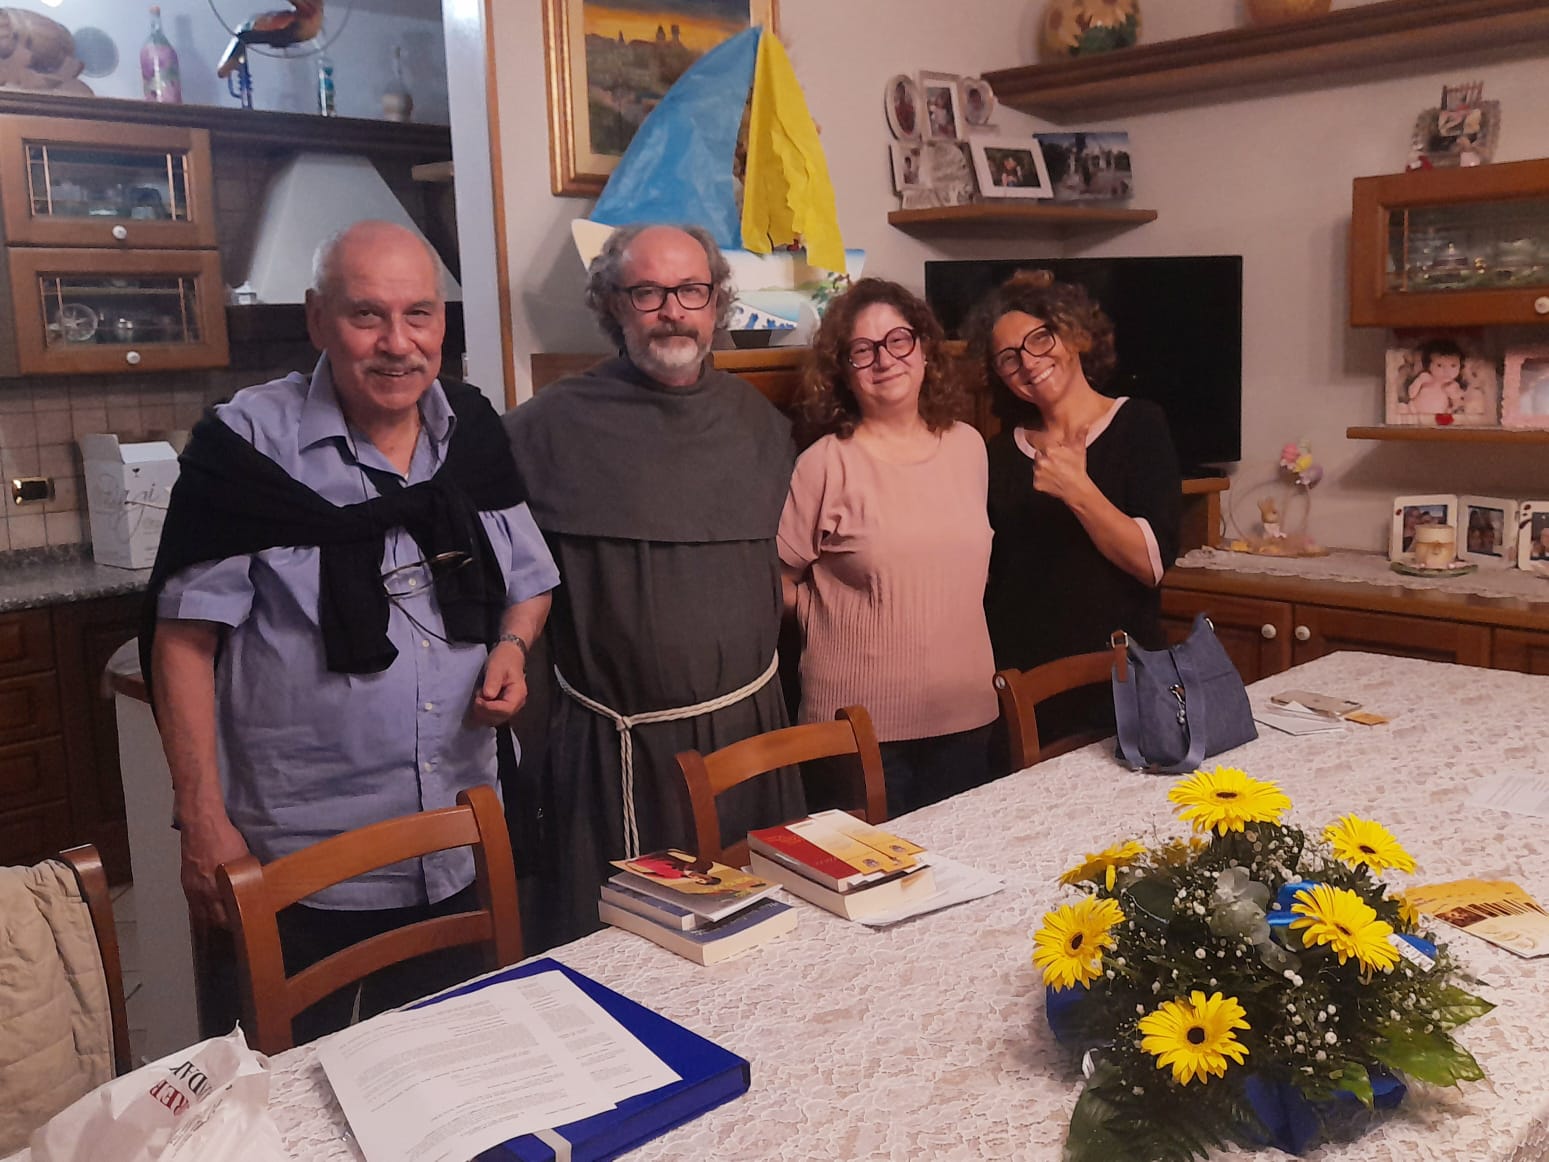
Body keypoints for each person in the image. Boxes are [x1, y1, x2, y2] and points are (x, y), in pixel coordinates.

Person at [146, 220, 559, 1043]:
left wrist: (512, 648)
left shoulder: (470, 431)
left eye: (419, 314)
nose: (397, 344)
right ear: (317, 320)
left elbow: (530, 582)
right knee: (291, 1081)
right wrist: (201, 819)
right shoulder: (246, 450)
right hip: (299, 855)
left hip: (460, 832)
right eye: (367, 315)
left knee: (461, 1065)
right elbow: (184, 642)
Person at [505, 223, 803, 946]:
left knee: (761, 951)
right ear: (613, 304)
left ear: (716, 302)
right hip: (615, 756)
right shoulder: (546, 429)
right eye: (647, 292)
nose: (672, 311)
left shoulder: (761, 425)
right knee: (619, 962)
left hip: (749, 739)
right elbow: (510, 577)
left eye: (691, 291)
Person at [779, 279, 996, 815]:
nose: (884, 360)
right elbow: (773, 579)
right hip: (858, 735)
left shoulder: (969, 447)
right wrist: (819, 611)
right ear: (844, 371)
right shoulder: (824, 464)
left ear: (924, 350)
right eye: (863, 349)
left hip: (969, 718)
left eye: (898, 340)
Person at [966, 269, 1181, 747]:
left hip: (1122, 686)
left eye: (1040, 339)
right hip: (1024, 692)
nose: (1029, 363)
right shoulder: (996, 454)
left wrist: (1077, 489)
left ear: (1074, 335)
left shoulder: (1139, 425)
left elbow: (1150, 564)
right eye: (1008, 358)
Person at [1405, 338, 1464, 415]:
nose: (1447, 371)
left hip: (1437, 417)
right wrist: (1419, 381)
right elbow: (1411, 395)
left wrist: (1453, 396)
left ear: (1460, 367)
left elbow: (1458, 405)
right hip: (1414, 411)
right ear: (1428, 365)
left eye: (1453, 366)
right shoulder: (1425, 377)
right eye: (1439, 365)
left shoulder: (1453, 385)